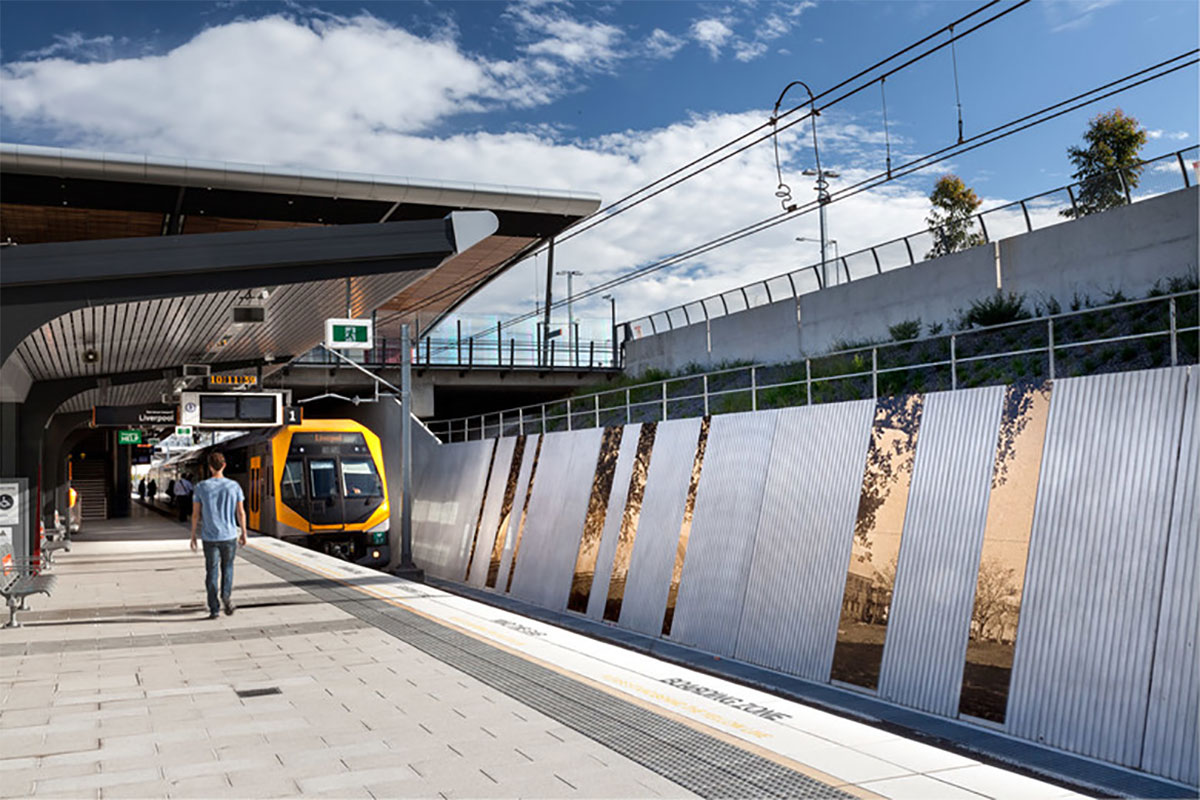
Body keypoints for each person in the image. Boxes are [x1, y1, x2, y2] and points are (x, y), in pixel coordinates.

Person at [189, 452, 247, 619]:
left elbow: (195, 515)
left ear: (209, 467)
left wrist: (193, 536)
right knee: (228, 568)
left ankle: (214, 609)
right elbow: (241, 512)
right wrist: (244, 533)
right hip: (229, 536)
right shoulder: (234, 486)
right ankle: (226, 597)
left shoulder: (201, 487)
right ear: (224, 465)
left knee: (211, 572)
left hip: (210, 538)